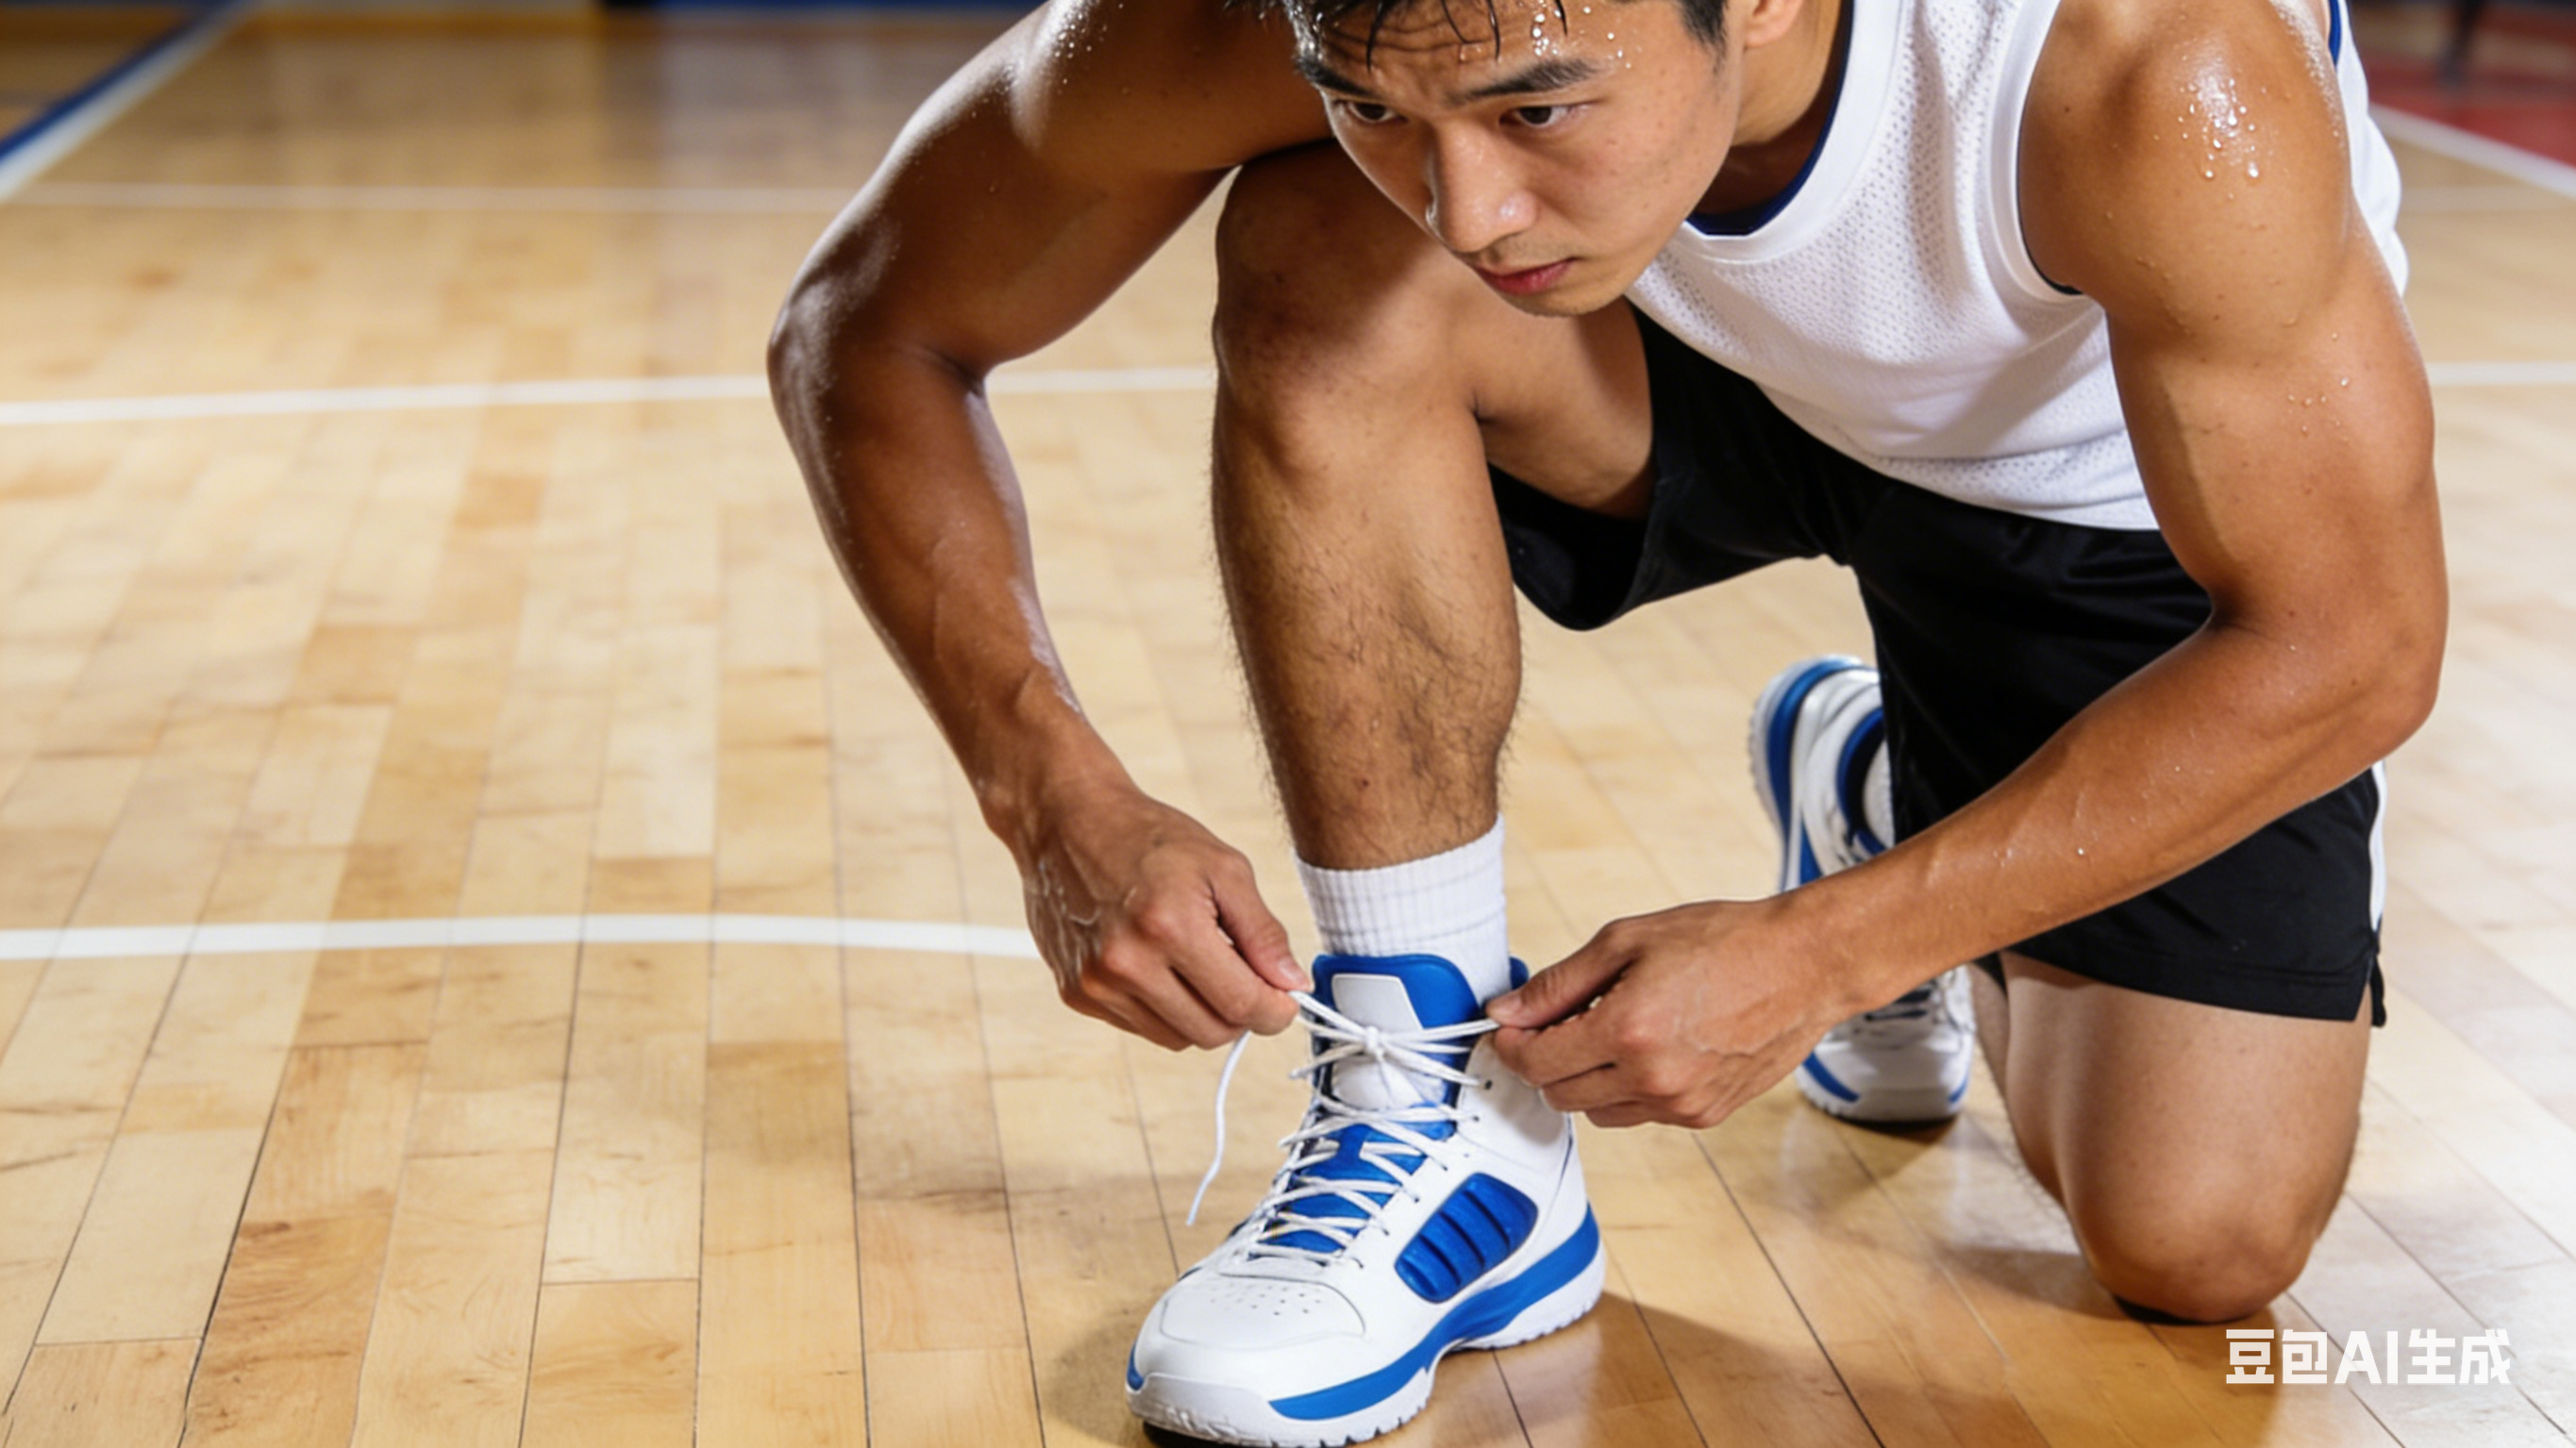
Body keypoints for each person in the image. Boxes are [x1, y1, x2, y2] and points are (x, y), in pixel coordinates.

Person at [767, 0, 2446, 1436]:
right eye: (1369, 107)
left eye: (1535, 107)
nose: (1469, 204)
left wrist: (1827, 946)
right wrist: (1048, 790)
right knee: (1322, 254)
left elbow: (2353, 644)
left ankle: (1882, 799)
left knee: (2196, 1238)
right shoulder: (1370, 16)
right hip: (1662, 358)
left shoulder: (2152, 73)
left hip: (2102, 475)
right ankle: (1431, 1118)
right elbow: (871, 318)